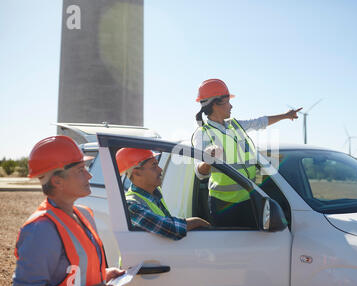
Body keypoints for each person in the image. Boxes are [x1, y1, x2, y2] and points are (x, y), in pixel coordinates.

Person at [12, 136, 125, 286]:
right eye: (80, 170)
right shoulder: (41, 229)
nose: (89, 176)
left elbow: (72, 273)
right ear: (57, 181)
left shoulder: (84, 214)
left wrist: (103, 275)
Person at [192, 78, 302, 228]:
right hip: (224, 205)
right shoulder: (203, 134)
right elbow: (199, 172)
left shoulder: (235, 125)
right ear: (216, 104)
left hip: (249, 198)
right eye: (227, 101)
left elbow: (260, 122)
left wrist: (285, 115)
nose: (231, 105)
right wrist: (208, 161)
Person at [116, 147, 210, 240]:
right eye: (154, 166)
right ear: (137, 173)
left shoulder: (155, 192)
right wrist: (197, 222)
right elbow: (171, 229)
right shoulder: (131, 206)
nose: (160, 170)